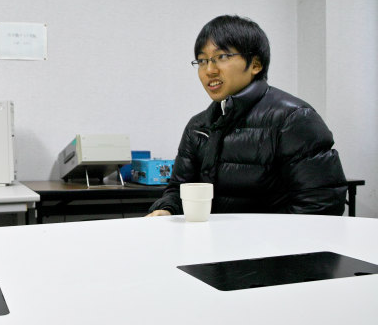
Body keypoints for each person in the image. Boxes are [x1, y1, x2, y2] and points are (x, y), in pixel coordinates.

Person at [147, 15, 347, 217]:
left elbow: (321, 206)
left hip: (274, 238)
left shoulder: (293, 119)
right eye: (202, 60)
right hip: (213, 237)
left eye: (222, 57)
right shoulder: (198, 126)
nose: (209, 70)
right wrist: (167, 209)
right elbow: (179, 190)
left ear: (255, 64)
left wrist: (259, 236)